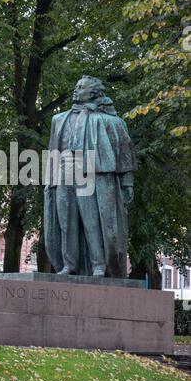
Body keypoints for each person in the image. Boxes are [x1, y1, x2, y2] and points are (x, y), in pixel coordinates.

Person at [44, 75, 136, 277]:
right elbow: (53, 151)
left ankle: (98, 265)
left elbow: (125, 151)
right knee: (66, 221)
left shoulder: (110, 122)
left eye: (81, 87)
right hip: (64, 174)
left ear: (93, 93)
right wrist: (50, 180)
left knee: (91, 221)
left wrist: (127, 181)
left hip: (91, 174)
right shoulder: (58, 120)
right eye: (76, 86)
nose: (75, 90)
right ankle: (70, 265)